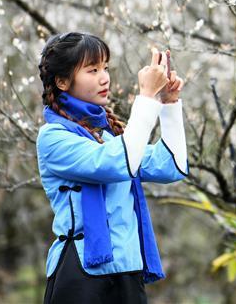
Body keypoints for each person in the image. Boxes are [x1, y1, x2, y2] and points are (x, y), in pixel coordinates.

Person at [36, 31, 189, 304]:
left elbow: (171, 167)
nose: (104, 77)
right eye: (92, 70)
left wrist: (168, 103)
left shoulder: (110, 138)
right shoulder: (53, 137)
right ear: (61, 81)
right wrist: (146, 97)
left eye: (105, 68)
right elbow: (115, 163)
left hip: (127, 271)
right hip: (81, 274)